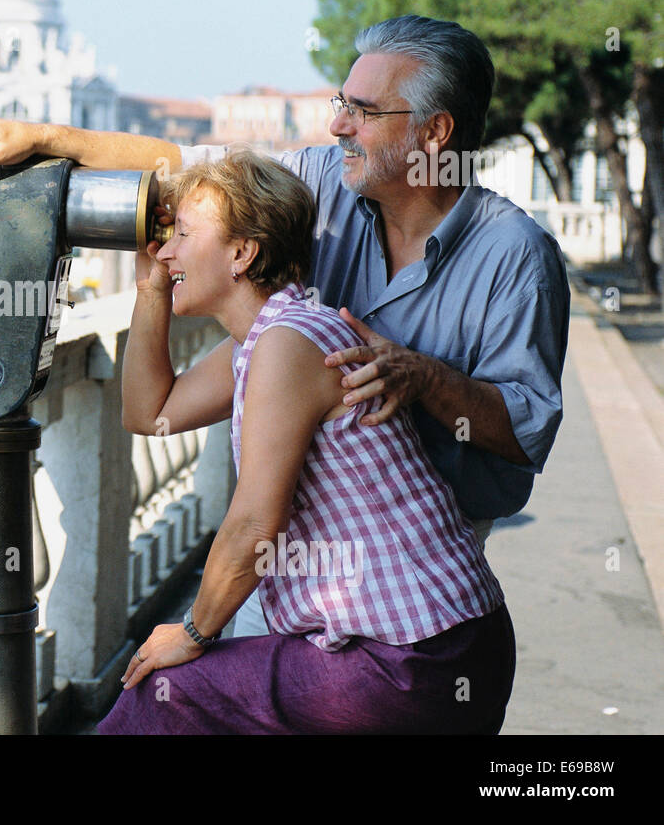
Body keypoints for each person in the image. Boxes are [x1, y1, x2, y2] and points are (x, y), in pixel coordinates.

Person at [0, 14, 570, 635]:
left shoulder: (515, 255)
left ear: (435, 135)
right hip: (296, 547)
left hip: (418, 569)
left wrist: (422, 377)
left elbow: (525, 432)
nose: (337, 123)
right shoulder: (322, 184)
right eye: (342, 100)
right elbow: (182, 166)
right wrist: (50, 142)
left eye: (364, 111)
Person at [95, 149, 514, 734]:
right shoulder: (268, 336)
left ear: (242, 253)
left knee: (165, 693)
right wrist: (151, 292)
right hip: (441, 641)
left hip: (415, 659)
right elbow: (149, 412)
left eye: (183, 235)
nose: (167, 251)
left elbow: (254, 524)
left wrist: (191, 631)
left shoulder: (289, 344)